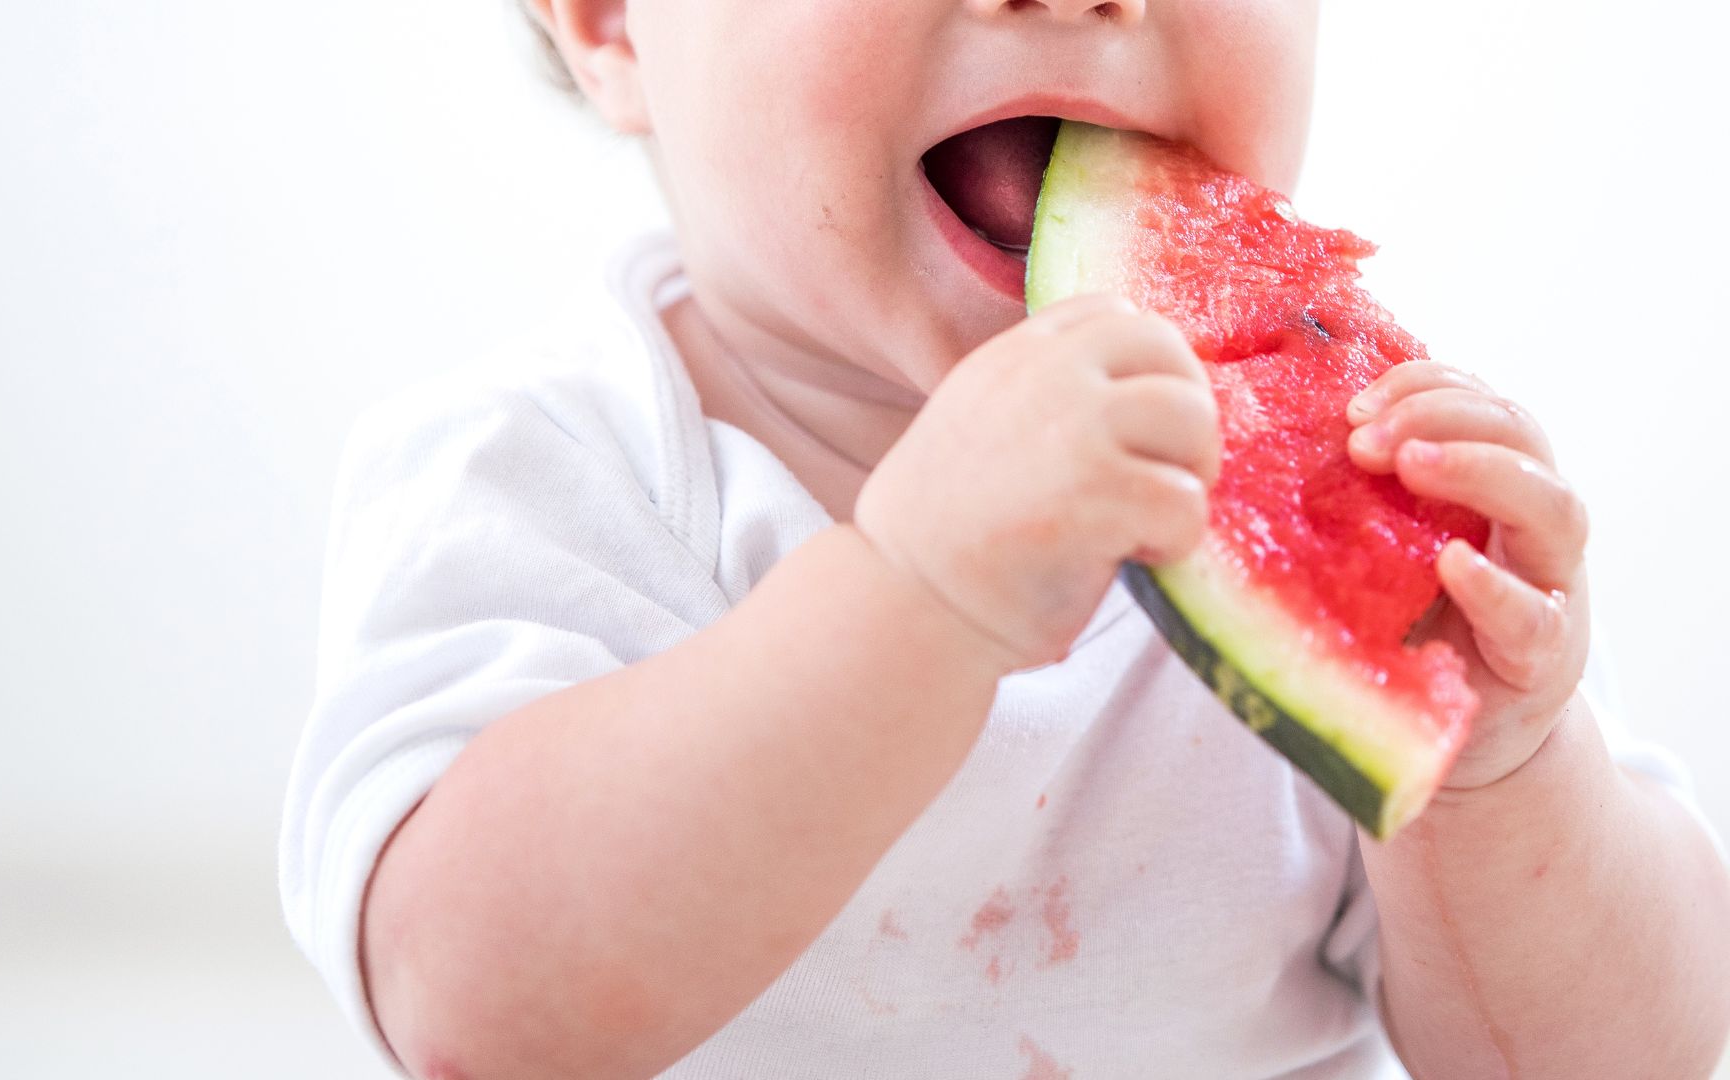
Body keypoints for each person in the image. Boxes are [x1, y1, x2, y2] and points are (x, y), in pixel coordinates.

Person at [280, 2, 1730, 1076]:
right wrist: (915, 592)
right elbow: (471, 1005)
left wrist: (1503, 778)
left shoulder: (1352, 465)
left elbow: (1631, 1059)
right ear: (612, 23)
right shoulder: (543, 479)